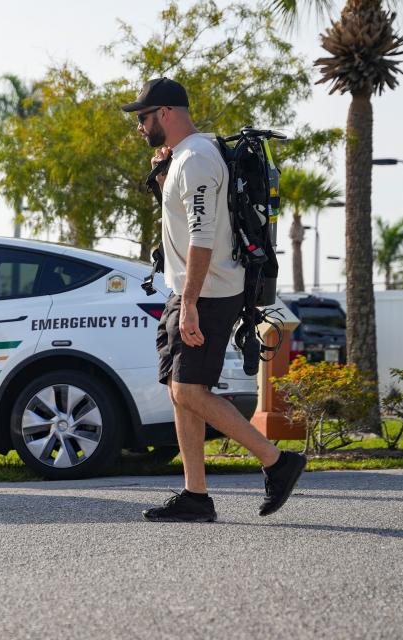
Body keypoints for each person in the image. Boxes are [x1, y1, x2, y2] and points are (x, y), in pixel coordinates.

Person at [121, 78, 306, 522]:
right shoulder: (184, 159)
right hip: (188, 288)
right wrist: (164, 177)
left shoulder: (198, 159)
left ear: (165, 113)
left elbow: (203, 239)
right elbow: (190, 225)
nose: (140, 128)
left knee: (189, 389)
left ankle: (278, 462)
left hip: (206, 291)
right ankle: (196, 496)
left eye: (143, 118)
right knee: (179, 391)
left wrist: (188, 303)